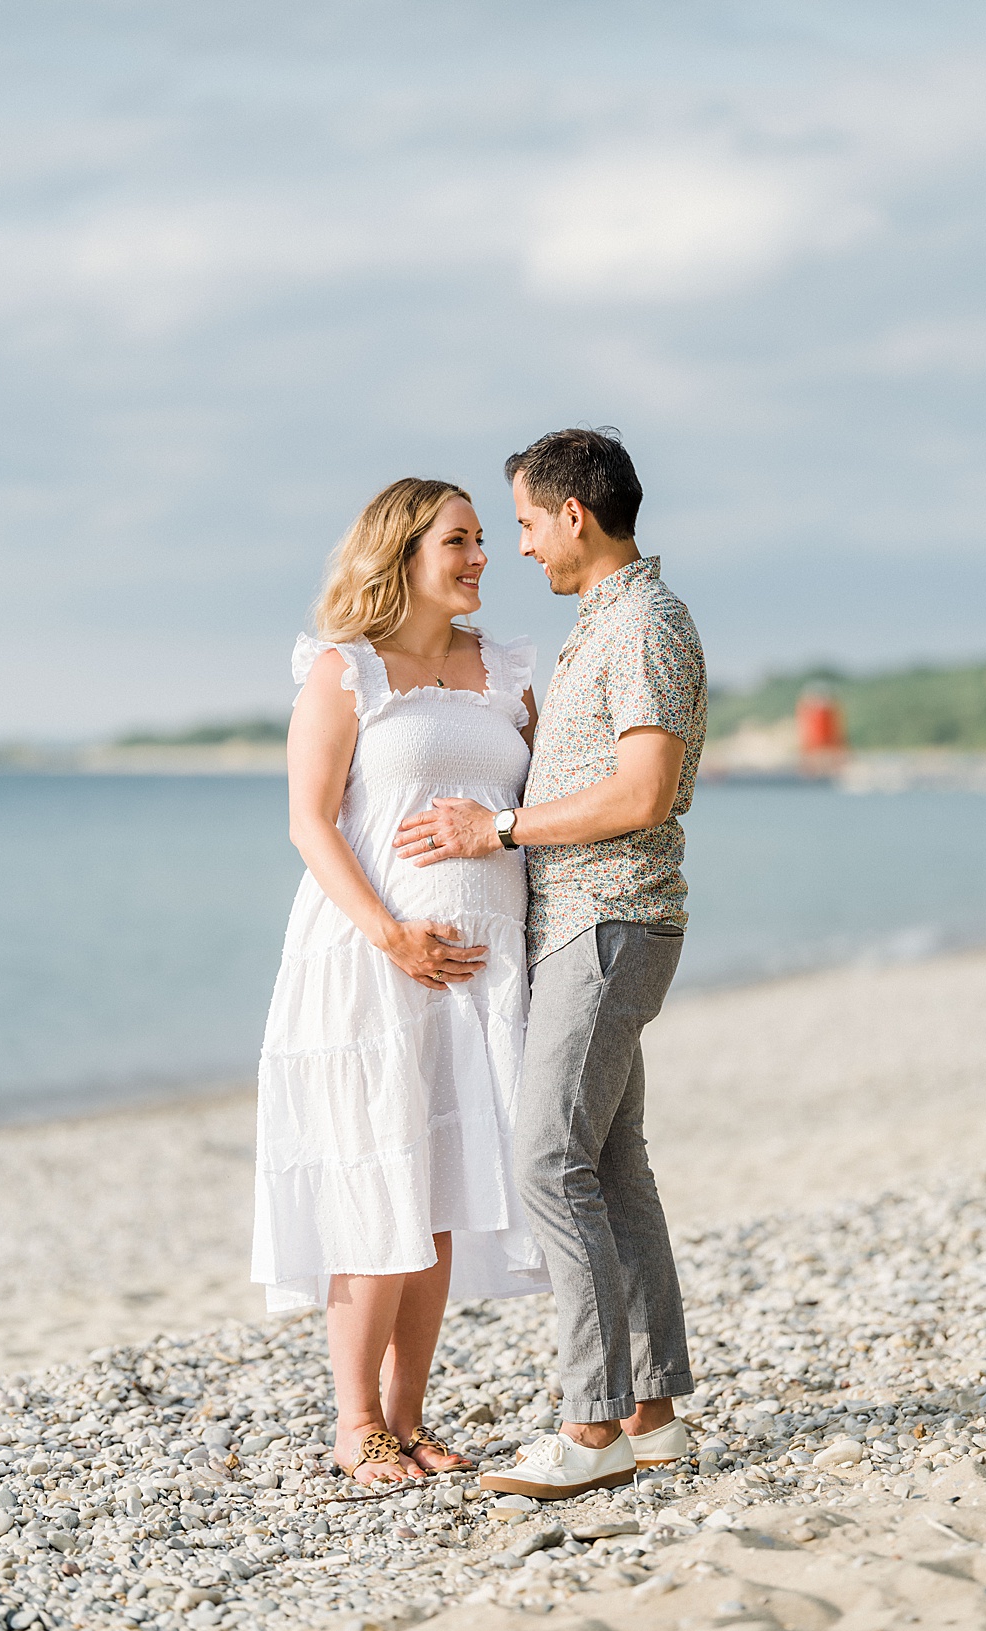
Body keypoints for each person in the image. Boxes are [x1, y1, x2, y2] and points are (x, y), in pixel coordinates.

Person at [393, 428, 707, 1499]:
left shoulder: (646, 626)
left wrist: (498, 828)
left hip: (608, 921)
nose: (517, 547)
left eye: (522, 523)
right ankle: (652, 1418)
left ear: (572, 515)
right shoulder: (604, 628)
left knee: (545, 1163)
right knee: (611, 1166)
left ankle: (590, 1431)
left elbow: (640, 796)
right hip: (588, 926)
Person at [251, 477, 548, 1487]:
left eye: (480, 539)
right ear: (403, 554)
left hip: (482, 968)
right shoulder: (345, 671)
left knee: (436, 1198)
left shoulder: (503, 668)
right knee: (374, 1179)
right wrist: (389, 935)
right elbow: (309, 821)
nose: (480, 558)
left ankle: (408, 1418)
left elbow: (536, 807)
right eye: (459, 541)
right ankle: (354, 1425)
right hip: (370, 963)